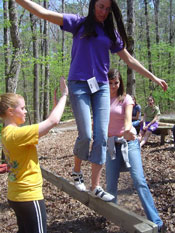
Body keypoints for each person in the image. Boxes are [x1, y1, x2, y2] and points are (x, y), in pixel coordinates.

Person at [15, 0, 168, 201]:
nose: (103, 11)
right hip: (78, 84)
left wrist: (153, 77)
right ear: (92, 5)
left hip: (101, 87)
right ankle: (77, 172)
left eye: (107, 8)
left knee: (101, 136)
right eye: (100, 6)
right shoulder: (78, 23)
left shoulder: (111, 33)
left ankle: (95, 185)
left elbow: (129, 59)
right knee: (86, 134)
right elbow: (43, 12)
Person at [0, 77, 68, 233]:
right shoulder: (18, 134)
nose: (25, 111)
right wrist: (64, 95)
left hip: (16, 195)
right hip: (29, 196)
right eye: (22, 108)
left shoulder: (6, 133)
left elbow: (49, 123)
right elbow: (53, 121)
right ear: (11, 111)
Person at [105, 68, 164, 232]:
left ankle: (157, 222)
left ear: (120, 82)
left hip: (128, 143)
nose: (113, 86)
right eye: (110, 83)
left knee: (139, 181)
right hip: (111, 145)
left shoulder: (126, 98)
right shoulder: (102, 99)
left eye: (116, 82)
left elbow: (127, 120)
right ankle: (114, 216)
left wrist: (127, 130)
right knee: (110, 185)